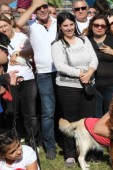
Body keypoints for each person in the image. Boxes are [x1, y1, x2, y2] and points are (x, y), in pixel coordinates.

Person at [51, 11, 98, 167]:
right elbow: (60, 65)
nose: (69, 28)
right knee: (70, 120)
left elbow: (94, 58)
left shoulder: (84, 40)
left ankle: (86, 152)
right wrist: (80, 73)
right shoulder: (57, 45)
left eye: (71, 24)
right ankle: (70, 154)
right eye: (65, 25)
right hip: (67, 86)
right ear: (60, 27)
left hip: (88, 84)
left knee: (87, 121)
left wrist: (89, 72)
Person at [16, 0, 57, 159]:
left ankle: (68, 145)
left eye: (44, 6)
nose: (42, 10)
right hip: (44, 74)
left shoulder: (56, 21)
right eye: (38, 8)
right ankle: (50, 145)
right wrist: (34, 5)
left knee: (65, 109)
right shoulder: (31, 25)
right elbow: (19, 23)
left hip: (62, 72)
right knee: (47, 112)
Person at [0, 14, 38, 148]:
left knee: (30, 113)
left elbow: (30, 52)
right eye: (0, 27)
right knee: (13, 113)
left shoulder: (22, 37)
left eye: (5, 25)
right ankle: (15, 139)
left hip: (28, 79)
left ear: (10, 24)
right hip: (9, 81)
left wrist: (17, 54)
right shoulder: (1, 41)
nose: (3, 29)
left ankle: (32, 140)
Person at [86, 15, 113, 118]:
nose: (99, 28)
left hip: (111, 85)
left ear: (106, 28)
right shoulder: (86, 41)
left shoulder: (112, 40)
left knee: (111, 115)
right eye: (96, 25)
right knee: (96, 116)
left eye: (102, 26)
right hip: (94, 85)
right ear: (91, 26)